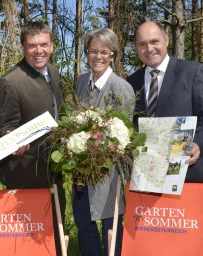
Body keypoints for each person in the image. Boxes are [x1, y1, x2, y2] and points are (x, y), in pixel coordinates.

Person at [0, 21, 65, 254]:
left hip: (54, 167)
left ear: (51, 46)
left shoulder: (54, 73)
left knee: (55, 229)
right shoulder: (10, 81)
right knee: (28, 240)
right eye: (32, 45)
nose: (39, 50)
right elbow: (6, 125)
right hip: (25, 172)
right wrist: (10, 139)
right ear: (23, 47)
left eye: (44, 44)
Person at [127, 21, 203, 183]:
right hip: (147, 177)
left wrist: (198, 143)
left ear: (166, 40)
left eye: (154, 41)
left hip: (188, 172)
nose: (149, 49)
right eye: (142, 44)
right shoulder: (131, 82)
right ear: (136, 47)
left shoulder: (192, 72)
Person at [73, 28, 135, 256]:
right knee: (83, 222)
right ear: (87, 53)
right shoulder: (81, 82)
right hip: (81, 167)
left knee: (111, 225)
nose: (98, 56)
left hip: (109, 170)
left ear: (112, 55)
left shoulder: (121, 88)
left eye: (104, 52)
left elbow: (124, 134)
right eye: (93, 51)